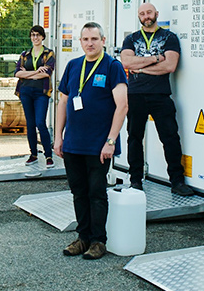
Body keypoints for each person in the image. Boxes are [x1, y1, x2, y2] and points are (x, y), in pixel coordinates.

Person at [55, 22, 128, 261]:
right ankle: (83, 237)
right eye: (85, 39)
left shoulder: (112, 67)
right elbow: (63, 103)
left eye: (94, 39)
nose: (90, 43)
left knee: (97, 193)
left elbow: (122, 106)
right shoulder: (73, 65)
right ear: (80, 41)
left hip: (99, 145)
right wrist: (58, 137)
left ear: (103, 41)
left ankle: (98, 241)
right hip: (73, 143)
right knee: (79, 192)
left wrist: (111, 141)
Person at [120, 2, 194, 196]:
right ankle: (135, 180)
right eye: (142, 13)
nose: (146, 16)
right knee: (134, 138)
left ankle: (177, 182)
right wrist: (155, 59)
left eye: (149, 12)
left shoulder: (169, 37)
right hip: (135, 95)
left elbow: (169, 66)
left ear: (156, 14)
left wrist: (140, 67)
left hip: (160, 95)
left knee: (170, 138)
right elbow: (126, 62)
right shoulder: (131, 39)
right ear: (139, 16)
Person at [14, 25, 56, 168]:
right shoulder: (25, 54)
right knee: (30, 124)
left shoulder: (49, 53)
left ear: (43, 37)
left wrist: (27, 73)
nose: (35, 37)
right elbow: (17, 73)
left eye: (38, 35)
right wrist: (36, 71)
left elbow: (47, 73)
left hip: (41, 93)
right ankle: (33, 154)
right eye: (33, 35)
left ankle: (48, 155)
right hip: (25, 91)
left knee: (40, 123)